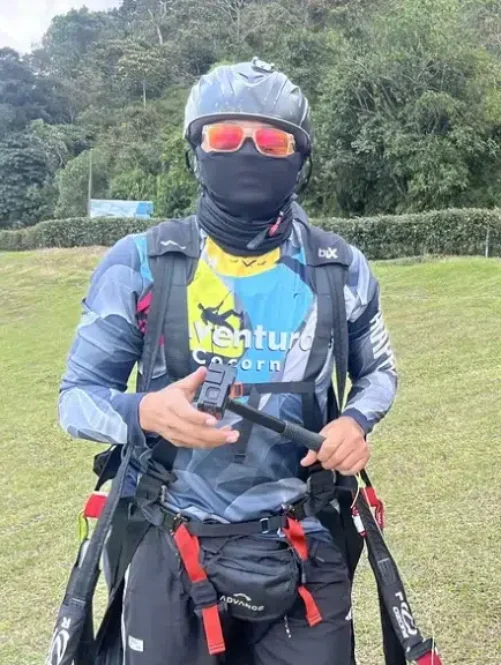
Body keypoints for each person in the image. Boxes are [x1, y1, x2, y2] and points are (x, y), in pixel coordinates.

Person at [57, 58, 398, 665]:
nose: (247, 152)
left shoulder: (340, 268)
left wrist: (355, 422)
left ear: (301, 158)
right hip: (168, 534)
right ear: (196, 149)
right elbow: (77, 398)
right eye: (224, 137)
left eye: (271, 139)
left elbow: (378, 374)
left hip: (302, 536)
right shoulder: (141, 263)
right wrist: (145, 412)